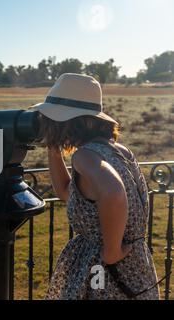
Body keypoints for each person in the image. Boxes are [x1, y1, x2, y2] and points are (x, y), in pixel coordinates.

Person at [31, 73, 159, 300]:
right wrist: (54, 147)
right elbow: (66, 193)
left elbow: (113, 192)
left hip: (104, 270)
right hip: (135, 265)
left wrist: (111, 252)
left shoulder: (85, 156)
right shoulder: (120, 151)